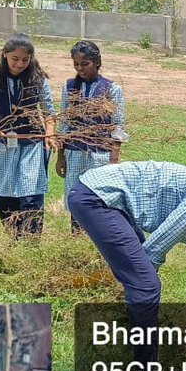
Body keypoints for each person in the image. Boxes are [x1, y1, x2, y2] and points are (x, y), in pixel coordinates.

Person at [67, 161, 186, 371]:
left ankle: (128, 345)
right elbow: (156, 247)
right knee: (146, 286)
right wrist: (139, 287)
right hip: (97, 197)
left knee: (141, 284)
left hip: (109, 199)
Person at [0, 33, 55, 238]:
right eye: (15, 59)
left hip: (32, 144)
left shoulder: (38, 79)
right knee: (3, 193)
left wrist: (50, 134)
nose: (20, 64)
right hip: (1, 144)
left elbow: (48, 111)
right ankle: (13, 237)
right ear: (4, 55)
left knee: (30, 195)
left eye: (25, 60)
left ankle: (31, 243)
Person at [56, 40, 128, 232]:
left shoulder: (112, 89)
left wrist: (113, 161)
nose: (80, 69)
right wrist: (60, 157)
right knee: (76, 200)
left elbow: (117, 126)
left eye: (85, 64)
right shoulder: (69, 87)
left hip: (100, 156)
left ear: (97, 62)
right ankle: (76, 236)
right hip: (75, 153)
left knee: (99, 200)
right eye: (76, 65)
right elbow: (64, 122)